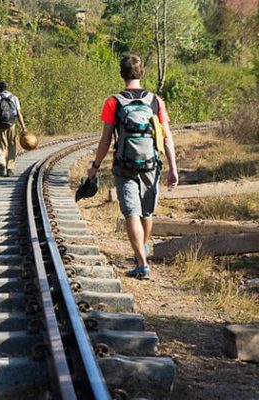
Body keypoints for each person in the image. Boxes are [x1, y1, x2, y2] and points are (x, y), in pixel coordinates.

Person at [87, 55, 179, 279]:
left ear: (122, 73)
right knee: (146, 213)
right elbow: (167, 138)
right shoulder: (155, 100)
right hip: (151, 164)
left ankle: (142, 263)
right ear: (141, 73)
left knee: (131, 213)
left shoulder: (114, 102)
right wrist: (173, 168)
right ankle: (142, 253)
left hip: (124, 165)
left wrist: (95, 166)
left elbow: (106, 139)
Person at [0, 81, 27, 177]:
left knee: (1, 145)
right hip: (12, 124)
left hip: (1, 124)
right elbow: (19, 114)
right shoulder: (14, 98)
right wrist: (24, 127)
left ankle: (1, 164)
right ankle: (10, 168)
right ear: (6, 88)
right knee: (12, 146)